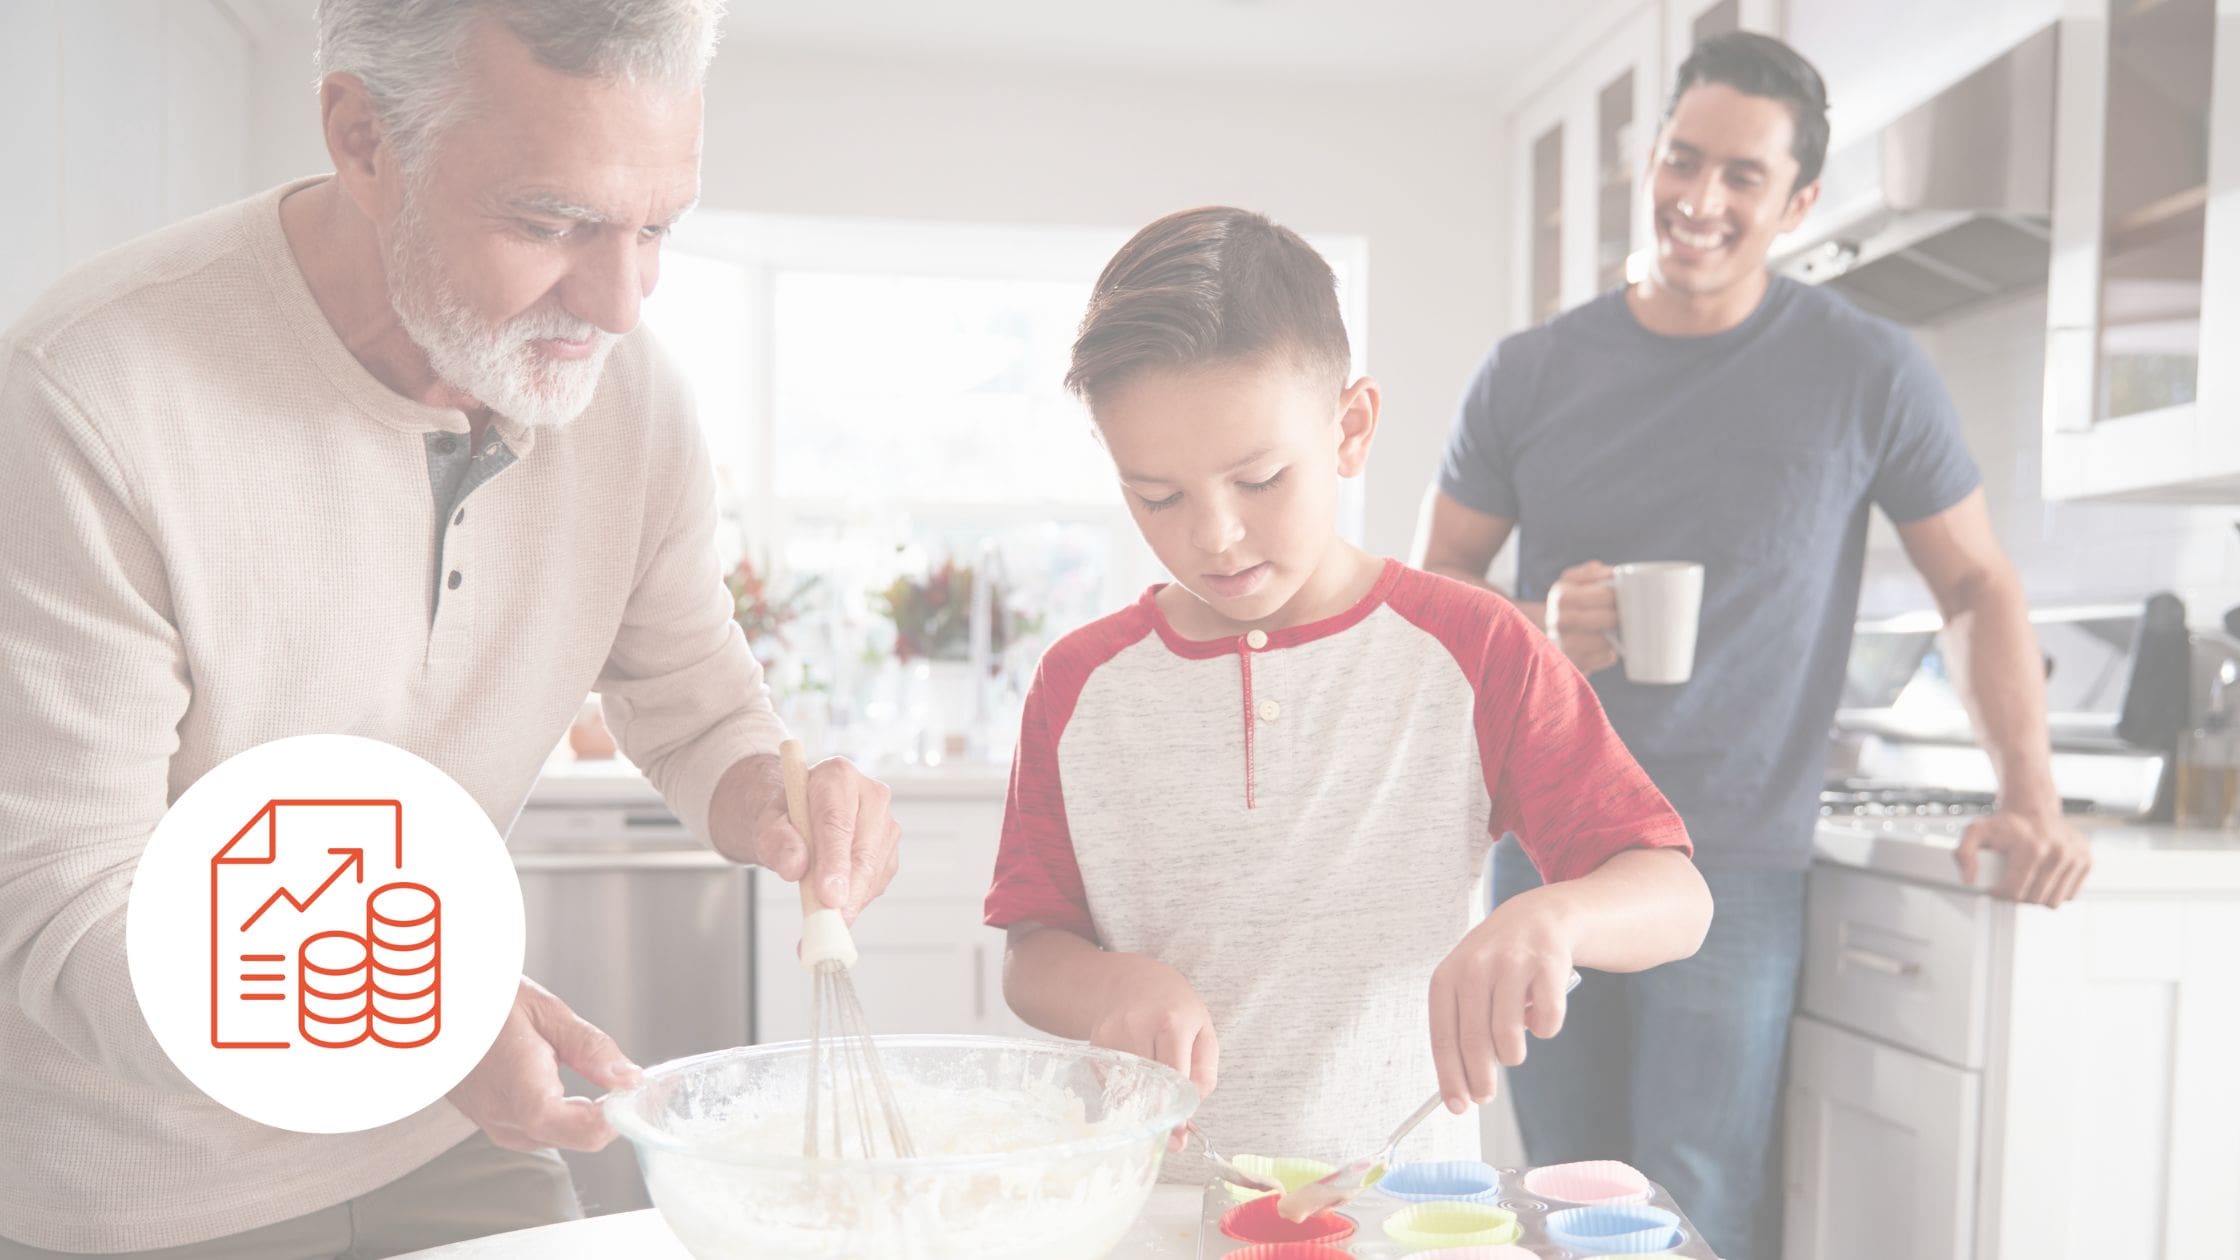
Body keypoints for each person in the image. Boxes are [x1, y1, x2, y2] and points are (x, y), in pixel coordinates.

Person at [0, 2, 903, 1256]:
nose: (620, 300)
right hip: (146, 1182)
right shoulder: (90, 397)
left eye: (655, 229)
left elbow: (692, 696)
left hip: (444, 1138)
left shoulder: (625, 399)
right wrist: (422, 1023)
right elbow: (64, 898)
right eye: (550, 222)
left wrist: (769, 789)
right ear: (363, 137)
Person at [1414, 32, 2090, 1260]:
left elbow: (1976, 580)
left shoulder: (1867, 371)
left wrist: (2029, 794)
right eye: (1682, 160)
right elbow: (1437, 583)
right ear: (1651, 158)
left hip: (1737, 865)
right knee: (1559, 1195)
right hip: (1547, 853)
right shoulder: (1527, 372)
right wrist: (1532, 624)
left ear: (1796, 201)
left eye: (1740, 176)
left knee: (1688, 1202)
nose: (1699, 200)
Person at [983, 206, 1715, 1178]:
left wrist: (1550, 917)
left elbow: (1675, 896)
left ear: (1350, 427)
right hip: (1149, 1212)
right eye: (1156, 496)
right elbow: (1036, 950)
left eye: (1258, 479)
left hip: (1397, 1214)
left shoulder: (1474, 648)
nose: (1215, 537)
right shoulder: (1079, 686)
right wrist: (1111, 987)